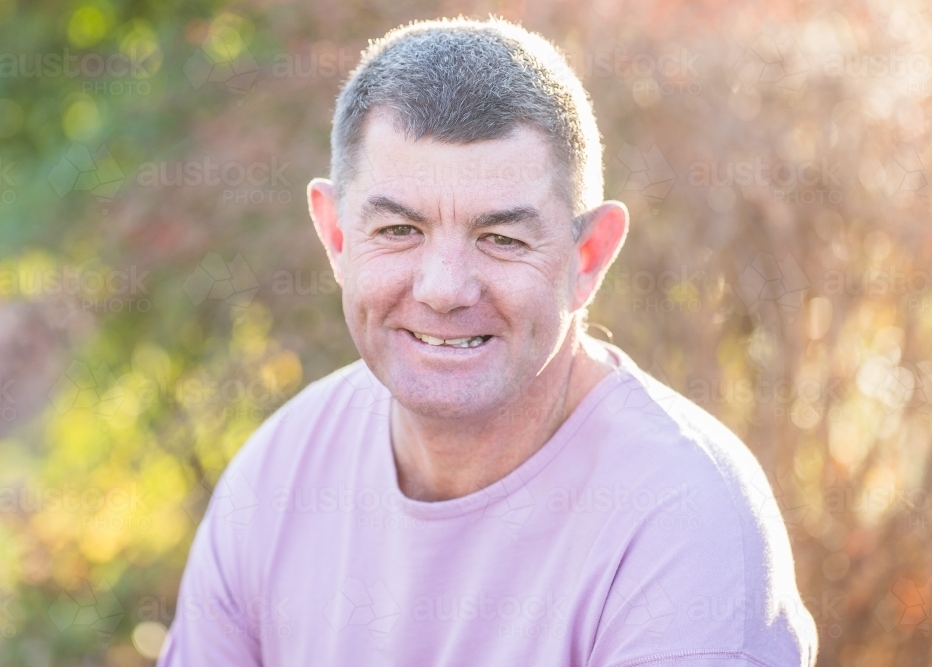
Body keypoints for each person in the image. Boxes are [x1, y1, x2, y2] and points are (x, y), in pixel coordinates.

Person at [159, 16, 818, 666]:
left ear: (587, 257)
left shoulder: (684, 523)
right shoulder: (277, 474)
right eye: (398, 230)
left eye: (501, 238)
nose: (445, 288)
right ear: (336, 236)